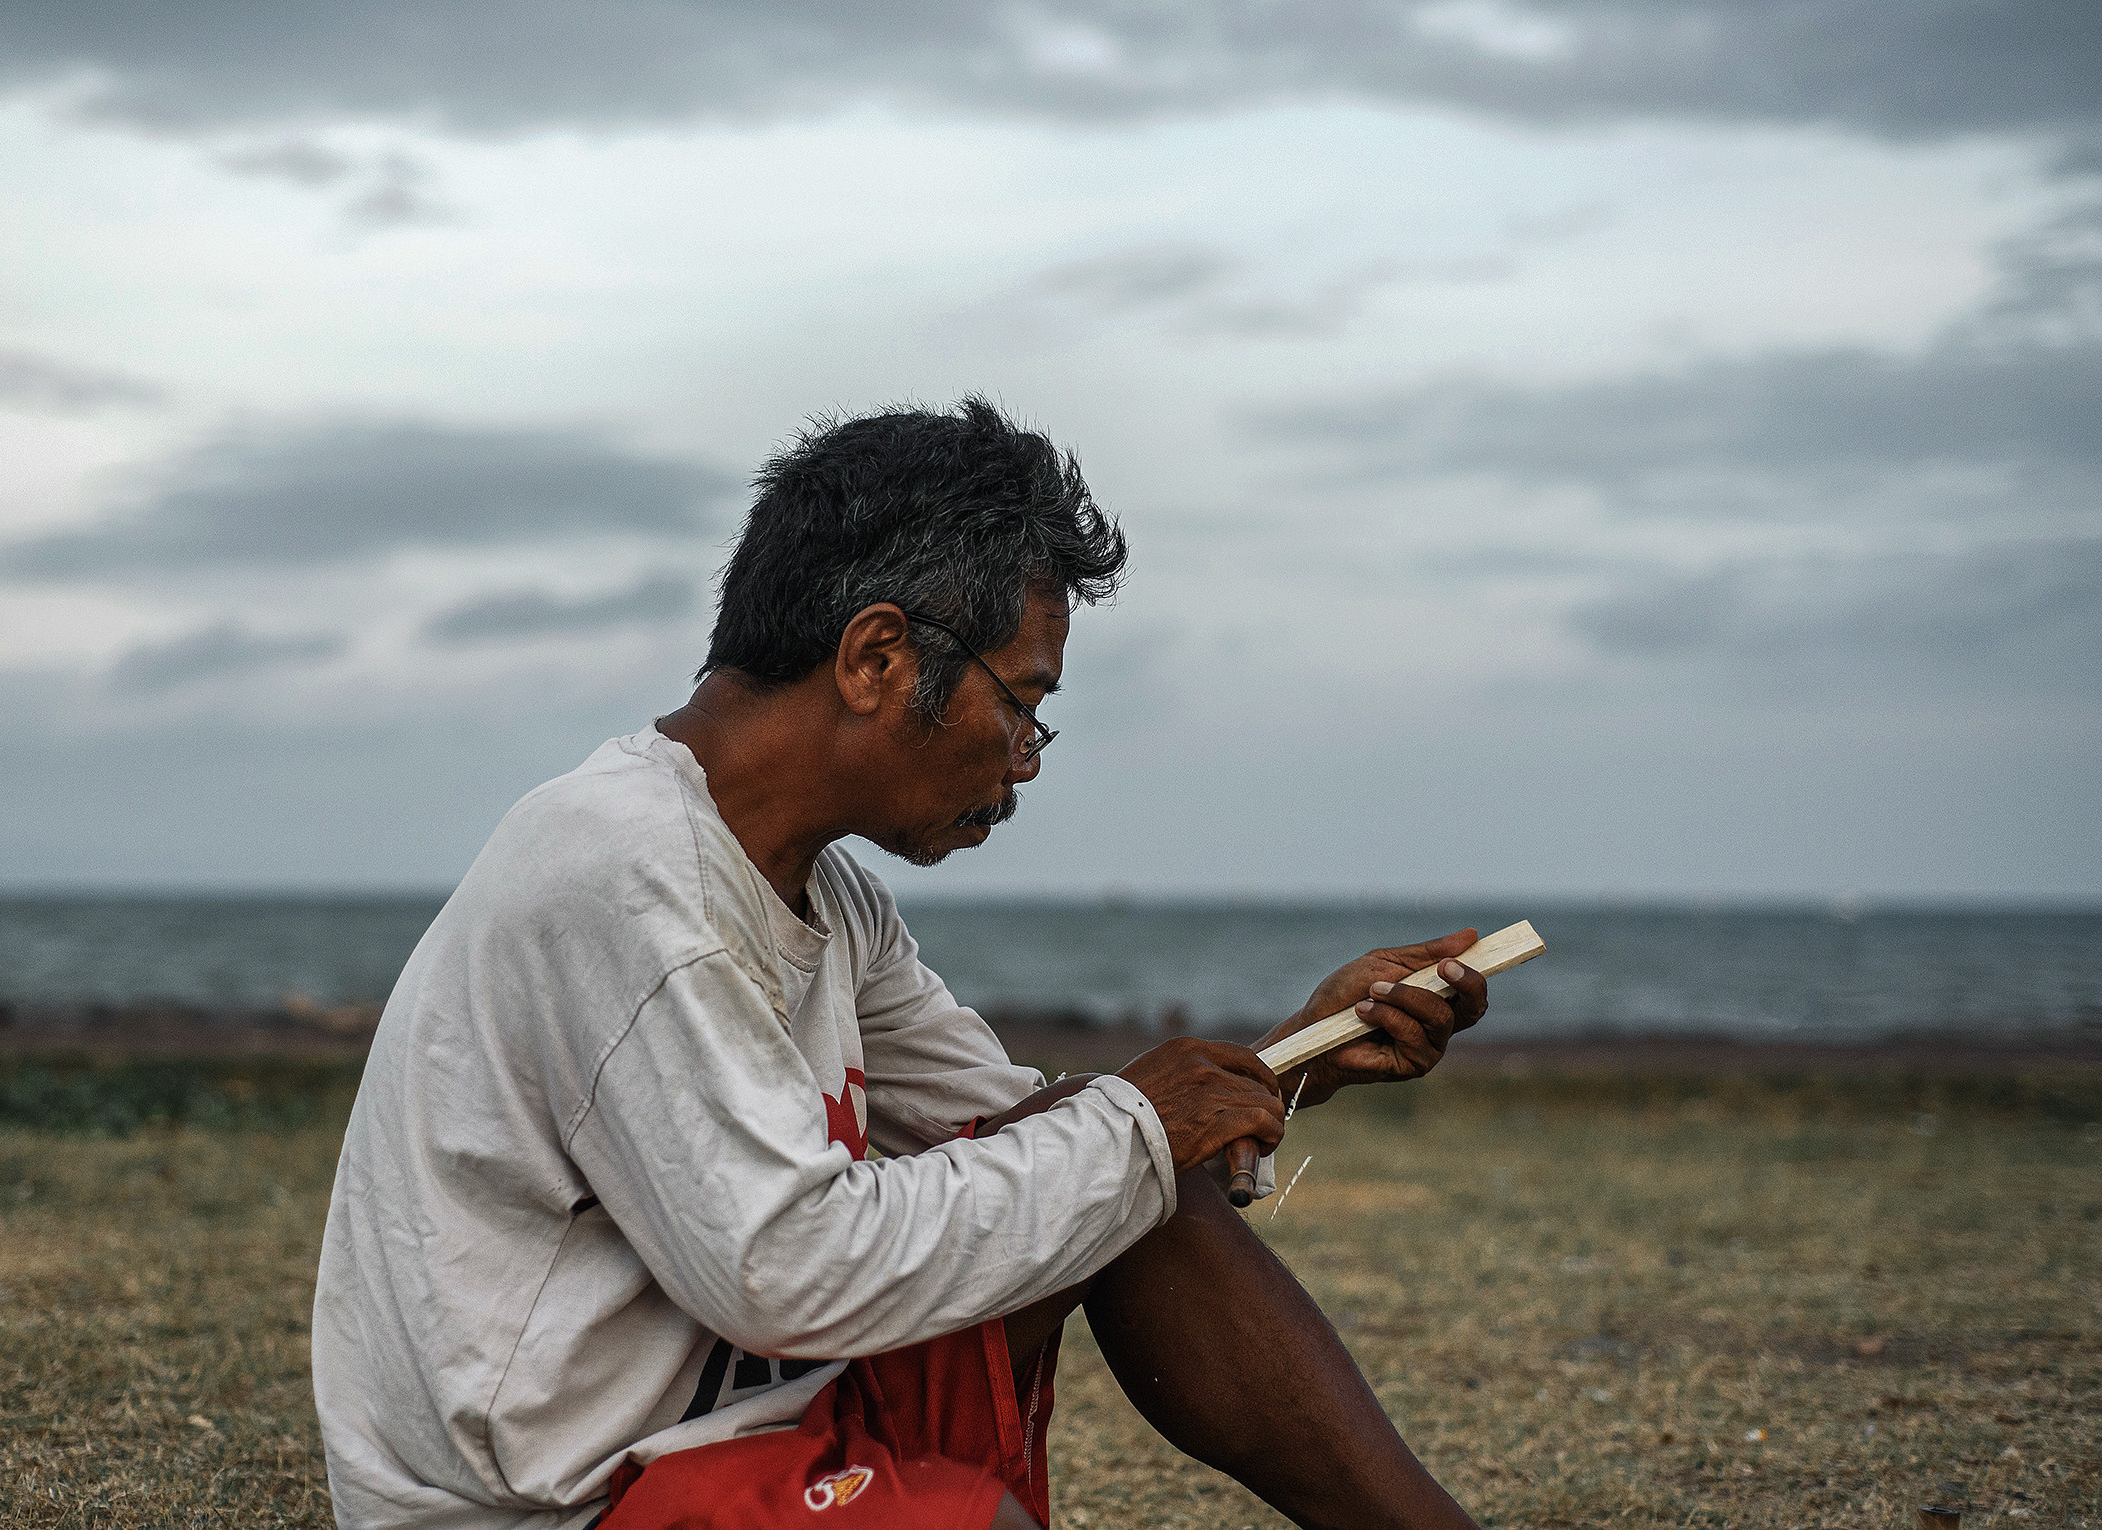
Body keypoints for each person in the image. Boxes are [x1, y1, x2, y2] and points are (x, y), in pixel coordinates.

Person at [312, 398, 1490, 1530]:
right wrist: (1138, 1123)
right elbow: (777, 1273)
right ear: (877, 657)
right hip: (561, 1494)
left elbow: (1023, 1134)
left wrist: (1288, 1064)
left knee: (1126, 1169)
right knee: (1113, 1156)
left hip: (738, 1421)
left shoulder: (827, 895)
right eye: (1022, 702)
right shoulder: (623, 871)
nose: (1026, 759)